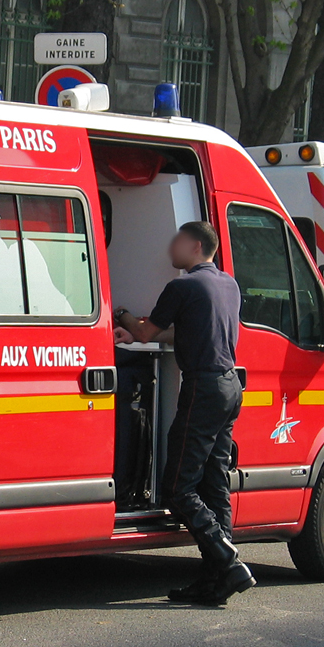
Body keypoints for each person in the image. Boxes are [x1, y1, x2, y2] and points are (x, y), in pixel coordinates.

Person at [113, 221, 255, 606]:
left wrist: (122, 314)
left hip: (204, 391)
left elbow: (144, 332)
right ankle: (215, 581)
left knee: (177, 487)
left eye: (175, 240)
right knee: (214, 484)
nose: (169, 247)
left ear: (194, 246)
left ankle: (227, 560)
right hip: (229, 387)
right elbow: (186, 331)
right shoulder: (228, 285)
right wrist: (142, 331)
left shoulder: (182, 286)